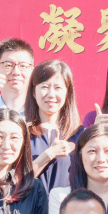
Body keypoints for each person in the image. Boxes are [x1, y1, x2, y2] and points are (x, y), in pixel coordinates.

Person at [24, 60, 81, 192]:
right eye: (44, 87)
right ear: (34, 92)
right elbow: (14, 181)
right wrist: (49, 154)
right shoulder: (21, 133)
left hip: (68, 204)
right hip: (29, 205)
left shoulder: (79, 134)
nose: (51, 94)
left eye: (58, 88)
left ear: (67, 93)